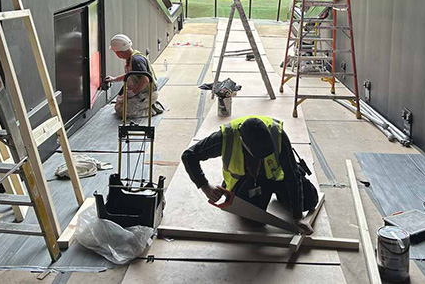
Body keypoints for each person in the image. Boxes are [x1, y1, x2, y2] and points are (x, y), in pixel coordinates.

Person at [181, 115, 318, 234]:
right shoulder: (226, 137)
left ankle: (280, 195)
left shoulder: (278, 134)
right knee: (254, 219)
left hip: (275, 176)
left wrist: (298, 217)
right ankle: (258, 194)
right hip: (247, 180)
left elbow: (292, 175)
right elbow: (189, 156)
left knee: (310, 200)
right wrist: (205, 187)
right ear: (243, 143)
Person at [105, 34, 162, 118]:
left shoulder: (136, 60)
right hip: (141, 93)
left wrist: (133, 92)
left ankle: (152, 110)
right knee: (118, 105)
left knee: (122, 112)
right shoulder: (131, 58)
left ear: (119, 52)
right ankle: (147, 104)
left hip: (147, 94)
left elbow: (145, 79)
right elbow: (130, 75)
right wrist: (114, 79)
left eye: (115, 52)